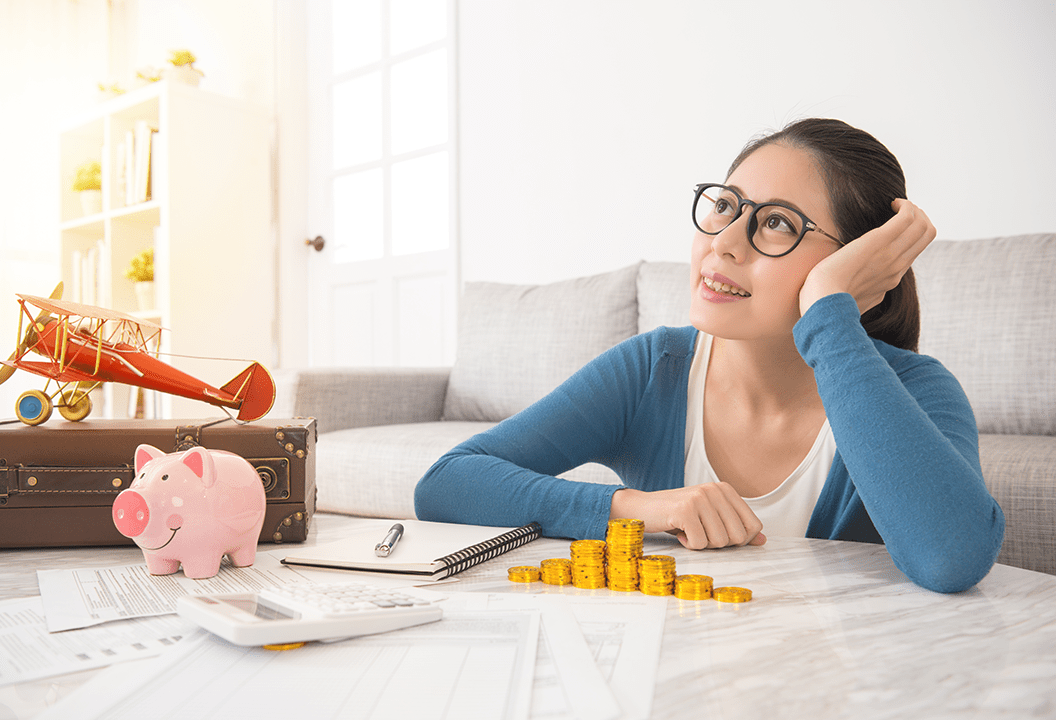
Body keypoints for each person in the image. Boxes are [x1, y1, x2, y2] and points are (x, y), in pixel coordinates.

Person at [414, 118, 1004, 594]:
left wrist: (830, 312)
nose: (723, 242)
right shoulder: (654, 370)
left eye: (776, 223)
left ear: (855, 262)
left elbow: (950, 558)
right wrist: (637, 509)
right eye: (725, 206)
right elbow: (447, 484)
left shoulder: (916, 389)